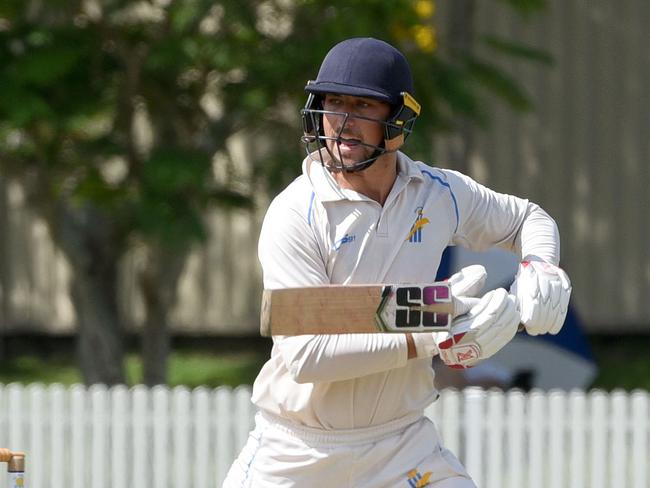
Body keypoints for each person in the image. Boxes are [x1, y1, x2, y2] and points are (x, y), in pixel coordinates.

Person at [223, 37, 571, 488]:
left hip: (400, 447)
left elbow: (527, 218)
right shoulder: (295, 214)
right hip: (296, 455)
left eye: (363, 106)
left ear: (398, 121)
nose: (342, 123)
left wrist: (541, 266)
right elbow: (308, 355)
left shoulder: (437, 192)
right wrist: (434, 326)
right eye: (333, 102)